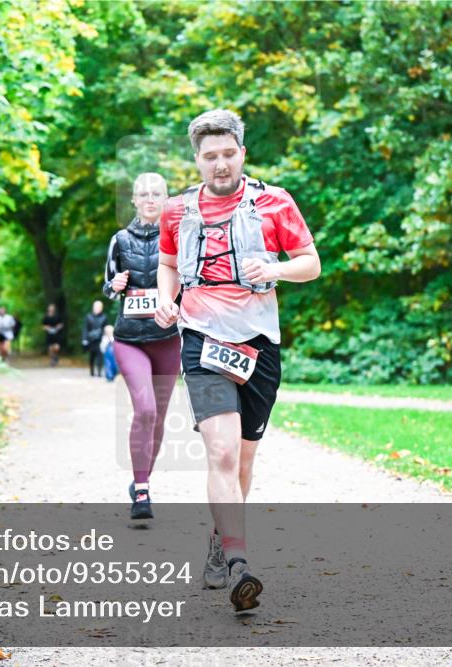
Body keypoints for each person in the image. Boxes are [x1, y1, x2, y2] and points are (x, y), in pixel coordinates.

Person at [154, 110, 321, 612]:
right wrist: (167, 298)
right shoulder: (177, 211)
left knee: (244, 459)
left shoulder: (275, 202)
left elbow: (311, 264)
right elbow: (166, 263)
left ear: (242, 154)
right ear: (197, 160)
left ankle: (219, 536)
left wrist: (273, 267)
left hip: (259, 343)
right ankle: (238, 564)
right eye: (210, 157)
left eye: (229, 154)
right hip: (202, 338)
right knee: (221, 453)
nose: (220, 164)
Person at [103, 172, 180, 521]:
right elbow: (106, 286)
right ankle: (143, 489)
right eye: (143, 194)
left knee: (159, 417)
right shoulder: (119, 240)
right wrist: (114, 285)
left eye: (157, 194)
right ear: (134, 200)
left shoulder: (179, 236)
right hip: (130, 339)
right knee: (145, 410)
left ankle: (142, 479)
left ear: (166, 199)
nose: (150, 199)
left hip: (167, 338)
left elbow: (192, 282)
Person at [81, 300, 108, 377]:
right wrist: (84, 339)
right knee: (92, 355)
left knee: (100, 355)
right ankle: (92, 371)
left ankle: (99, 371)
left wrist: (106, 337)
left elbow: (106, 328)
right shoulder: (88, 316)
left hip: (100, 339)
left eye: (99, 307)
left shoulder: (104, 317)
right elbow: (85, 328)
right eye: (96, 307)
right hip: (91, 339)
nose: (97, 308)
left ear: (101, 308)